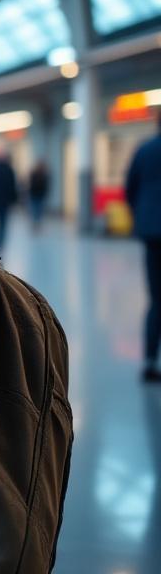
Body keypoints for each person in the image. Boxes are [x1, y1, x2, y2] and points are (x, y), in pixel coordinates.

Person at [126, 111, 161, 383]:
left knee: (156, 299)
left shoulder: (145, 150)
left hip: (152, 232)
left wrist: (143, 214)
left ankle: (149, 361)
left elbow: (130, 188)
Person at [26, 159, 50, 234]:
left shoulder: (44, 175)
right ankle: (35, 223)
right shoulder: (34, 174)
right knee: (34, 209)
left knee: (39, 210)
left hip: (40, 195)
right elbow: (30, 184)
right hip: (34, 194)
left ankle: (37, 223)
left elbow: (46, 185)